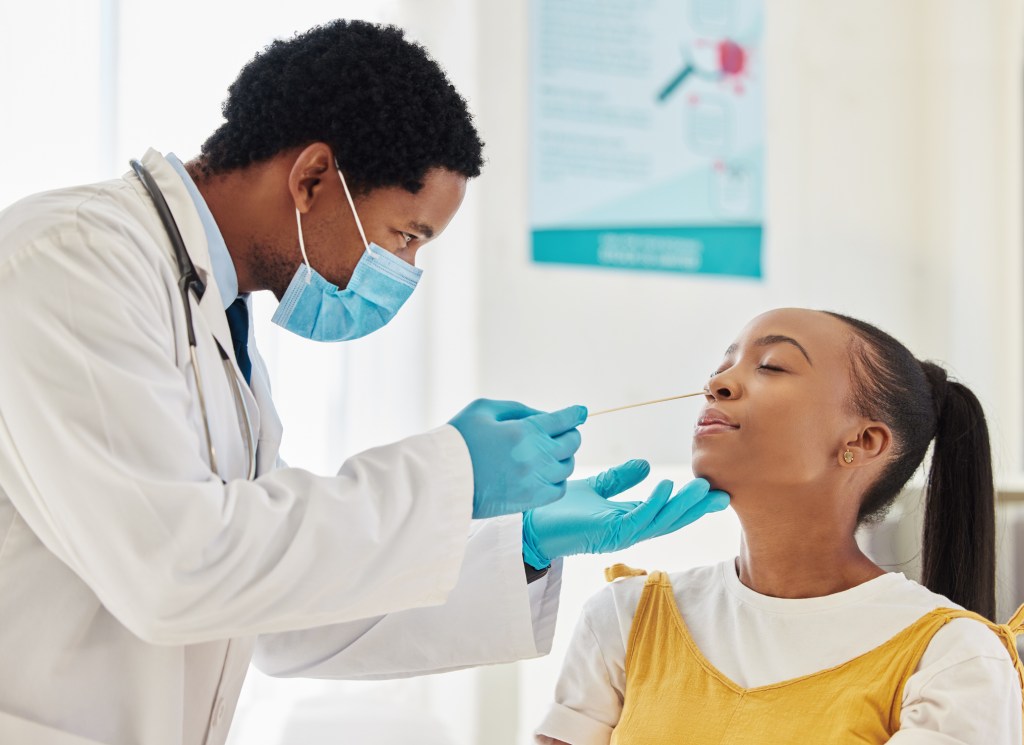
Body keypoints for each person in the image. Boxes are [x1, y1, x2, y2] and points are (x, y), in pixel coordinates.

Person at [0, 20, 730, 745]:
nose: (406, 271)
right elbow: (176, 570)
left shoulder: (218, 322)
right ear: (313, 177)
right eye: (405, 236)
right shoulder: (70, 261)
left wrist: (521, 547)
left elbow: (273, 604)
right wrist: (452, 473)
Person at [536, 307, 1024, 745]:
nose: (717, 386)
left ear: (864, 441)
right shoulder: (626, 617)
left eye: (770, 366)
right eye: (720, 368)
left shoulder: (953, 659)